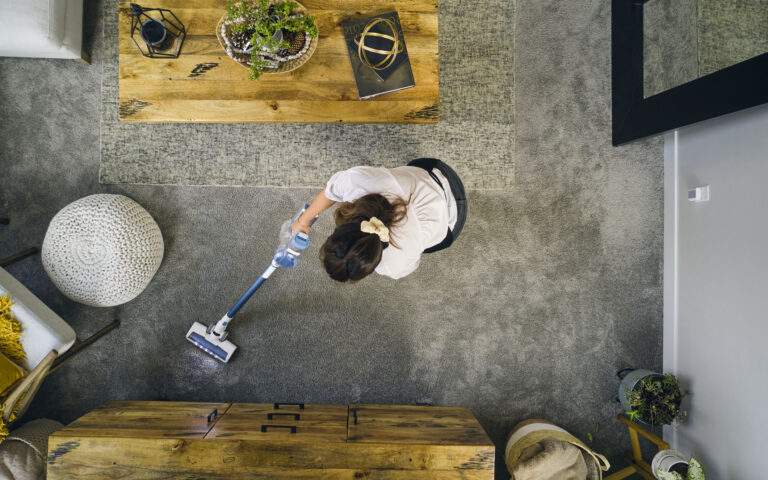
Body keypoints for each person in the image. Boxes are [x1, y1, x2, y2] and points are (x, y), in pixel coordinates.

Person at [293, 158, 467, 281]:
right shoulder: (357, 182)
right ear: (339, 231)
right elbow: (331, 191)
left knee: (426, 245)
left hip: (452, 221)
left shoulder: (394, 265)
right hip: (436, 171)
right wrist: (303, 221)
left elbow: (414, 263)